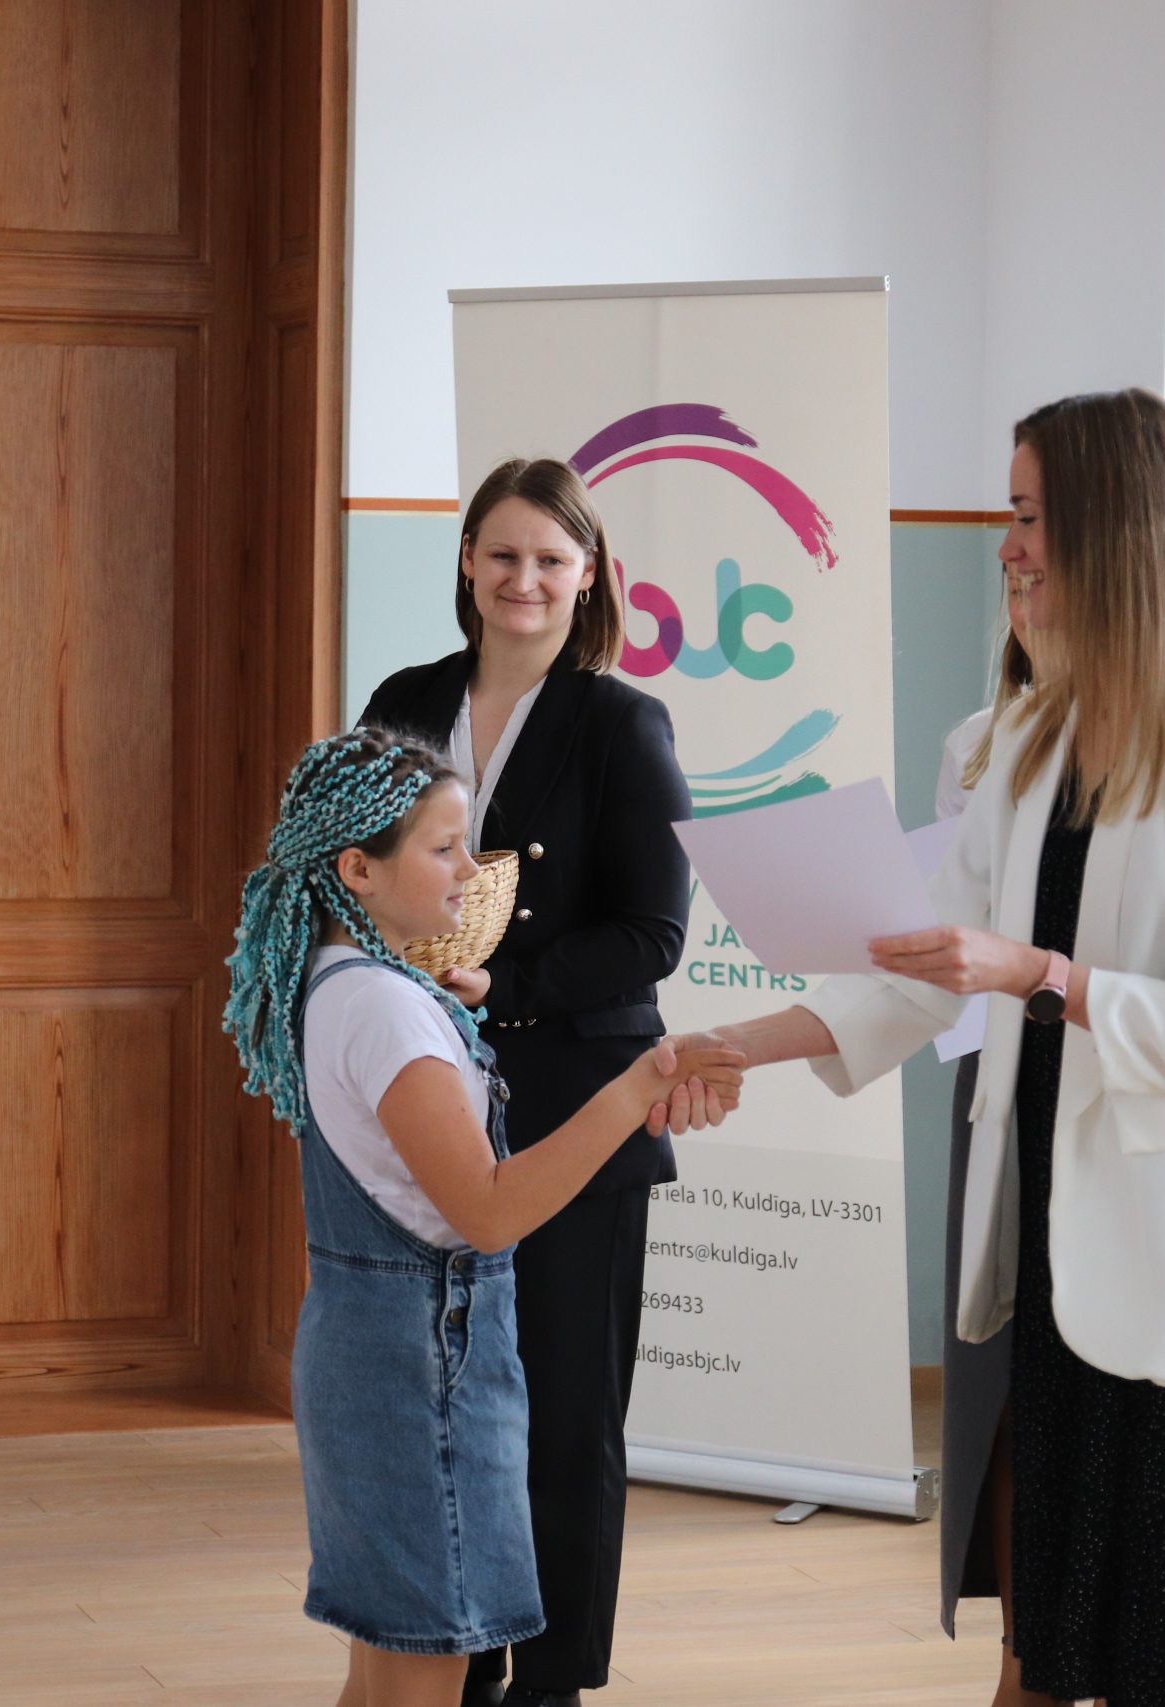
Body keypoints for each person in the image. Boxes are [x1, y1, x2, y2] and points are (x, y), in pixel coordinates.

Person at [688, 390, 1165, 1707]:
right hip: (1067, 1254)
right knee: (1060, 1637)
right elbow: (917, 959)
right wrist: (734, 1042)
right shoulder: (1034, 736)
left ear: (1118, 529)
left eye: (1028, 515)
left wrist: (1040, 976)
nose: (1005, 546)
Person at [221, 727, 741, 1707]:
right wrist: (634, 1089)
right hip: (425, 1371)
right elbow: (490, 1213)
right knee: (424, 1667)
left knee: (384, 1665)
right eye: (444, 847)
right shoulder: (386, 1010)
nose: (473, 870)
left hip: (369, 1357)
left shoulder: (341, 982)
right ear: (358, 870)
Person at [356, 457, 690, 1707]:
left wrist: (504, 985)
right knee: (452, 1415)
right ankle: (463, 1657)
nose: (524, 580)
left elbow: (653, 935)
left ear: (588, 575)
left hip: (576, 1112)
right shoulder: (403, 700)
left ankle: (547, 1685)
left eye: (551, 559)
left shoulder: (621, 724)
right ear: (465, 562)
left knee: (563, 1419)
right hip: (423, 1101)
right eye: (502, 554)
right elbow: (348, 869)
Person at [927, 556, 1031, 1661]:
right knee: (995, 1388)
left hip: (1104, 1090)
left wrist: (1032, 968)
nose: (1018, 572)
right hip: (990, 1080)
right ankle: (1024, 1662)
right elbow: (940, 935)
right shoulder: (979, 744)